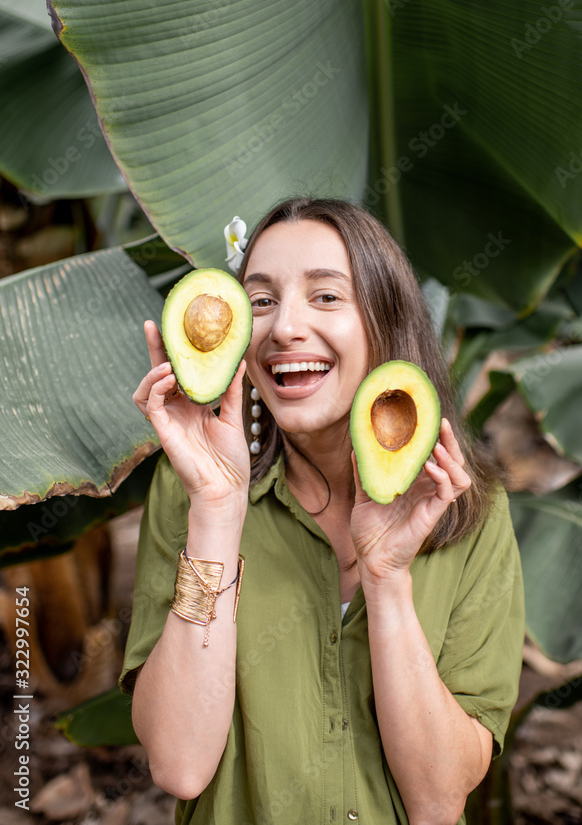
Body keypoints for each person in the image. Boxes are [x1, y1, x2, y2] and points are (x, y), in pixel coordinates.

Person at [121, 196, 524, 825]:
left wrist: (388, 582)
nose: (284, 328)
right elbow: (179, 763)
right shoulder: (189, 493)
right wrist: (217, 516)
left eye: (327, 297)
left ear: (385, 323)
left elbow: (440, 797)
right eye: (260, 301)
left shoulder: (469, 512)